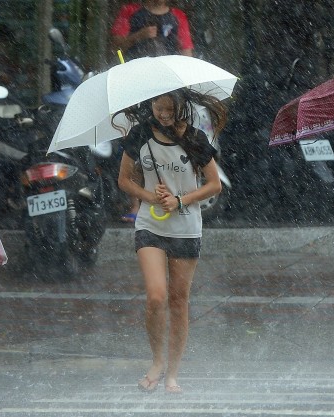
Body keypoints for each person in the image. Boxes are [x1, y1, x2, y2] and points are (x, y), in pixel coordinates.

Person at [114, 88, 227, 393]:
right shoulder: (139, 135)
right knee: (156, 296)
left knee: (179, 301)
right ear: (150, 104)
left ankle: (173, 372)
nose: (162, 115)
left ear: (180, 107)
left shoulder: (194, 138)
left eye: (168, 109)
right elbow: (124, 180)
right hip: (150, 224)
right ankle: (156, 361)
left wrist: (181, 200)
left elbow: (214, 185)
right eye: (157, 108)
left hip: (186, 225)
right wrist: (149, 196)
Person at [111, 0, 194, 222]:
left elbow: (187, 52)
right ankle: (135, 204)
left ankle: (174, 199)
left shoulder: (177, 16)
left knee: (166, 145)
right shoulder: (130, 12)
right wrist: (138, 37)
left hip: (167, 88)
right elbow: (116, 45)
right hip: (136, 87)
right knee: (135, 144)